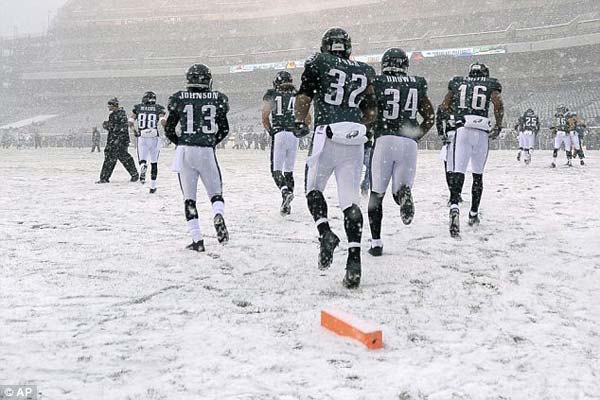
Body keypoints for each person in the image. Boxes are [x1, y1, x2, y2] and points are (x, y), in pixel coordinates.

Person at [293, 27, 377, 289]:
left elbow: (304, 96)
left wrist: (299, 121)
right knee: (350, 201)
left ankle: (325, 232)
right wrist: (353, 125)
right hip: (353, 138)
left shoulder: (318, 62)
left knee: (313, 189)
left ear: (326, 46)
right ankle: (354, 259)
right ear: (347, 47)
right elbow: (372, 110)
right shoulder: (364, 70)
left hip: (326, 134)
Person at [367, 48, 435, 256]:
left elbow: (370, 112)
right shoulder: (417, 83)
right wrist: (416, 135)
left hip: (385, 138)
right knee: (399, 191)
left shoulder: (377, 82)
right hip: (408, 142)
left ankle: (376, 243)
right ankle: (404, 195)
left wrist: (369, 130)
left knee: (377, 195)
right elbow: (430, 116)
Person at [165, 64, 230, 252]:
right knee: (216, 193)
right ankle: (218, 214)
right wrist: (211, 141)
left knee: (189, 199)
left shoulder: (179, 98)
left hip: (185, 149)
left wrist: (181, 142)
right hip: (206, 149)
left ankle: (197, 239)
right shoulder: (218, 98)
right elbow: (224, 129)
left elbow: (169, 128)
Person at [440, 62, 504, 238]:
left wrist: (455, 116)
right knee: (477, 175)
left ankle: (454, 206)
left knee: (458, 172)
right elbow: (498, 104)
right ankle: (474, 213)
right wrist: (498, 125)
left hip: (462, 130)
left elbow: (444, 106)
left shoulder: (458, 83)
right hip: (481, 132)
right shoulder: (490, 84)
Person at [262, 70, 310, 215]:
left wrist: (272, 132)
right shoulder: (298, 95)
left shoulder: (272, 94)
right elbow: (308, 119)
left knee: (276, 170)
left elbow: (264, 117)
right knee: (289, 171)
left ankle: (285, 192)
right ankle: (287, 205)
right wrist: (300, 127)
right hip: (293, 134)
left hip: (280, 133)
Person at [130, 91, 166, 193]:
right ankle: (153, 186)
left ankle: (143, 166)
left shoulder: (138, 108)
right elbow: (163, 121)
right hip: (154, 136)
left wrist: (134, 130)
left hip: (142, 136)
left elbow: (130, 121)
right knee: (154, 163)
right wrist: (167, 130)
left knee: (142, 159)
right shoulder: (158, 108)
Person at [96, 98, 139, 184]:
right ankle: (104, 177)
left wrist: (108, 126)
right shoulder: (113, 115)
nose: (108, 107)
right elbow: (115, 127)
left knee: (119, 158)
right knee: (116, 158)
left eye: (110, 105)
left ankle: (105, 178)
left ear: (114, 105)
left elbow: (121, 128)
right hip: (114, 140)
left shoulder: (121, 115)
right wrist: (108, 125)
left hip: (119, 141)